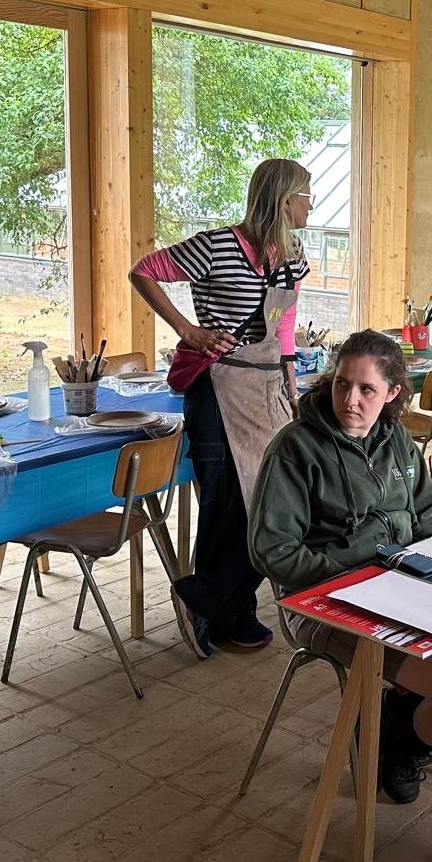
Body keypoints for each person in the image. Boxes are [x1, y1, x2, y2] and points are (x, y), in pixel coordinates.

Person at [248, 329, 432, 805]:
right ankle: (397, 744)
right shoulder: (296, 448)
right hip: (323, 600)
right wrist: (354, 577)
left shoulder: (398, 440)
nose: (351, 399)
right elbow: (272, 551)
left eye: (367, 389)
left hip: (404, 586)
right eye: (343, 384)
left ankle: (398, 709)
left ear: (391, 394)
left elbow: (427, 515)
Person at [130, 158, 312, 658]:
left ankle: (209, 598)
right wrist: (186, 330)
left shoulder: (293, 257)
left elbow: (284, 328)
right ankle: (231, 610)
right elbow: (142, 271)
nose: (310, 206)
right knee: (223, 500)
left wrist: (290, 384)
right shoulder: (215, 246)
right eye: (305, 196)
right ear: (284, 201)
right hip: (214, 386)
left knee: (270, 499)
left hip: (265, 386)